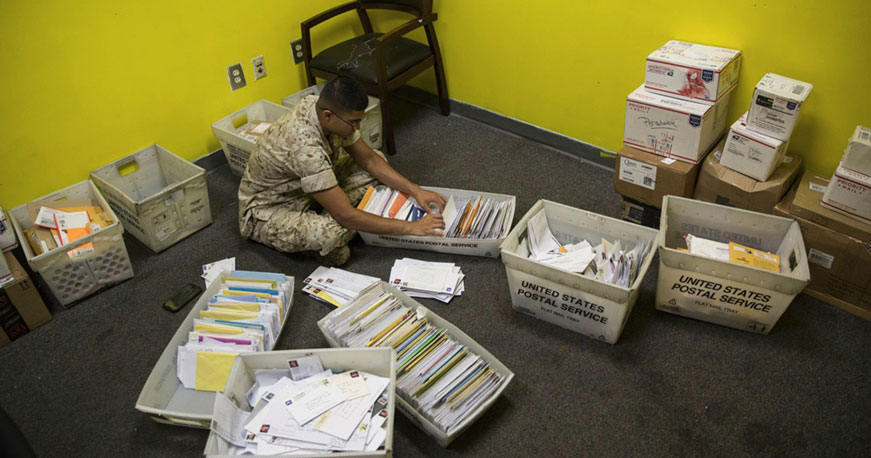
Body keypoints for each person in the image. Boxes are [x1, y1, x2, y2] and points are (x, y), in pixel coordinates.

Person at [238, 75, 446, 266]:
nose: (357, 128)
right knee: (333, 233)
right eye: (353, 122)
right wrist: (412, 227)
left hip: (304, 188)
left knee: (378, 160)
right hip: (270, 209)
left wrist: (415, 190)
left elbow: (370, 160)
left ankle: (330, 210)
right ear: (328, 115)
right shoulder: (304, 146)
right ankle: (324, 228)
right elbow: (345, 216)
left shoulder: (320, 107)